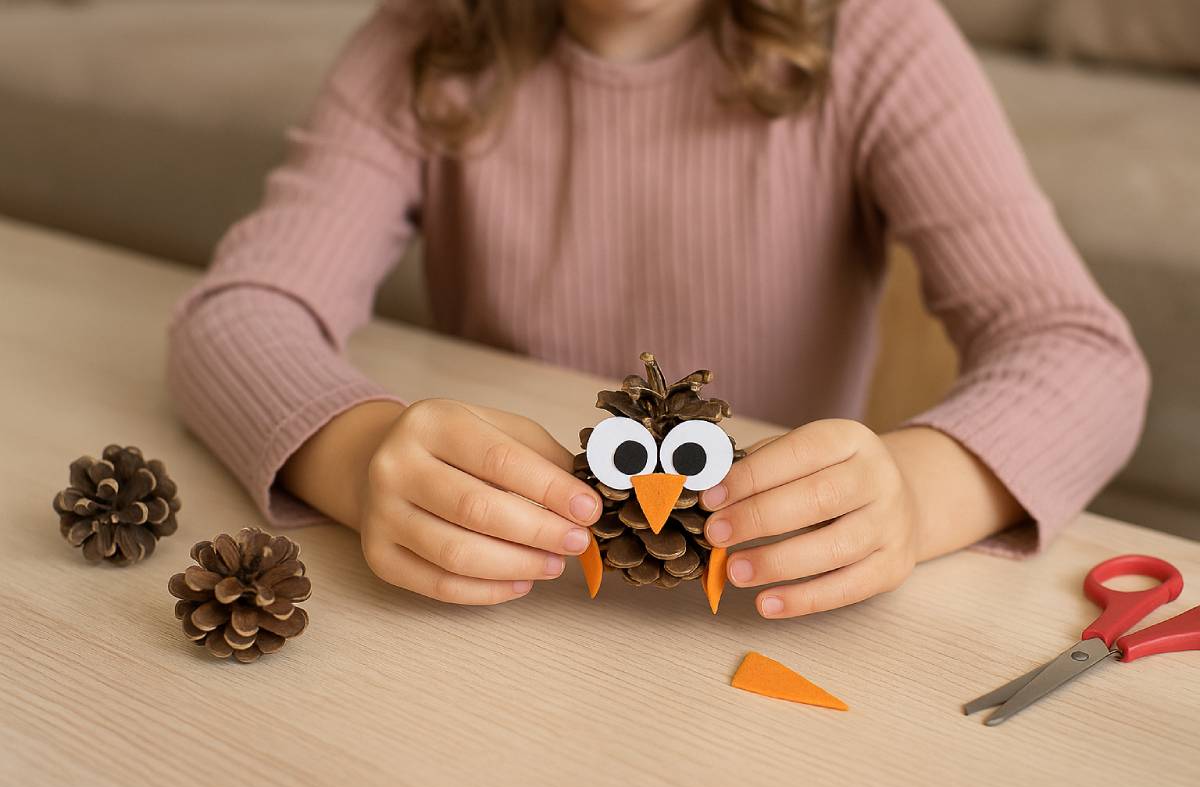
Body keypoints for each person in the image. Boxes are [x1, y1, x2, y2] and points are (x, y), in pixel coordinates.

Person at [167, 0, 1149, 618]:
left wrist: (919, 491)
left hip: (760, 625)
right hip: (513, 617)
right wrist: (358, 451)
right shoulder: (422, 39)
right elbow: (236, 314)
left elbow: (1080, 351)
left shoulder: (878, 32)